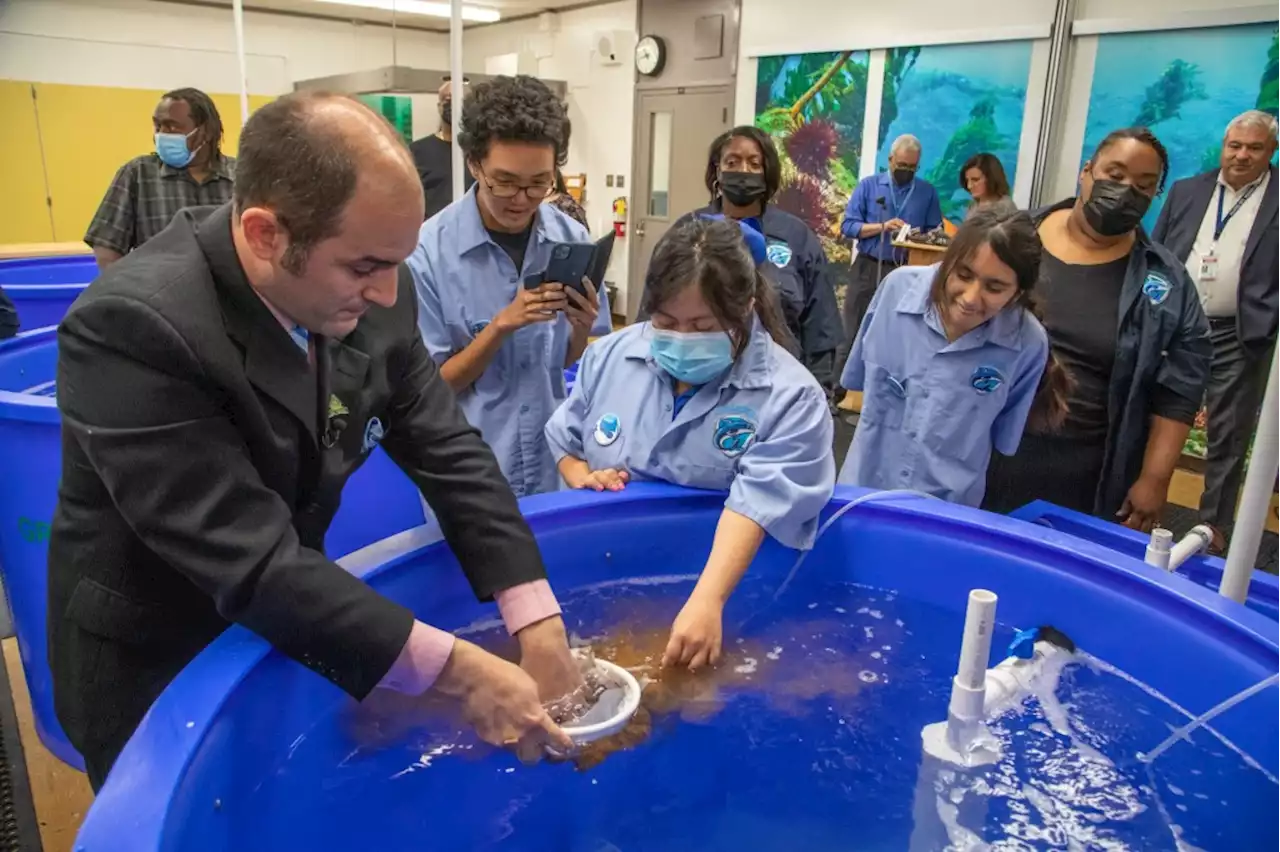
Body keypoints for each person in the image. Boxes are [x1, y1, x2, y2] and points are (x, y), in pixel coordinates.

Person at [49, 92, 582, 792]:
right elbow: (250, 557)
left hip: (296, 623)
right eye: (363, 268)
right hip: (162, 652)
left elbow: (449, 451)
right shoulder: (134, 330)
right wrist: (457, 671)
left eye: (399, 262)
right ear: (267, 234)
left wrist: (535, 616)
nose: (389, 295)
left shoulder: (373, 284)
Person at [544, 218, 835, 671]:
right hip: (606, 576)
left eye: (703, 325)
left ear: (747, 309)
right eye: (666, 322)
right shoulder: (609, 357)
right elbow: (567, 437)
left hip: (721, 592)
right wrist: (584, 477)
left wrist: (708, 601)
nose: (682, 339)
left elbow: (759, 502)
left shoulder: (790, 397)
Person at [984, 127, 1211, 530]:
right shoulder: (1011, 238)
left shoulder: (1166, 285)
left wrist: (1155, 479)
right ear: (1086, 171)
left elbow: (1179, 389)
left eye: (1144, 185)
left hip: (1087, 470)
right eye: (1115, 174)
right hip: (983, 447)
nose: (1126, 191)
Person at [408, 75, 612, 499]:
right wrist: (500, 327)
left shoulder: (571, 239)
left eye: (539, 183)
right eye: (504, 181)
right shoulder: (428, 254)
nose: (521, 198)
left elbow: (564, 361)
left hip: (553, 462)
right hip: (469, 471)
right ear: (474, 164)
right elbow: (434, 388)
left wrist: (579, 327)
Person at [839, 208, 1069, 506]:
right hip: (862, 496)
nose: (971, 298)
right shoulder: (896, 292)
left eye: (995, 287)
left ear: (1018, 292)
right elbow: (856, 381)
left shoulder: (1027, 343)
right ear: (948, 261)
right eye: (963, 274)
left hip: (948, 514)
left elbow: (1004, 437)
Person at [1152, 109, 1280, 553]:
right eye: (1235, 145)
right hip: (1178, 326)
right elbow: (1158, 252)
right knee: (1155, 415)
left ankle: (1214, 530)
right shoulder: (1189, 191)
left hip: (1241, 333)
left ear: (1272, 152)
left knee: (1228, 435)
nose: (1242, 155)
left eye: (1254, 148)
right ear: (1224, 146)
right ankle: (1144, 507)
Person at [641, 126, 842, 398]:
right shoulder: (688, 230)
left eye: (754, 163)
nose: (743, 170)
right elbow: (652, 313)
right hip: (690, 384)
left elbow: (820, 325)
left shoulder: (796, 237)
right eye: (732, 162)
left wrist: (820, 394)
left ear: (767, 172)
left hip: (774, 388)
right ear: (717, 171)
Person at [85, 88, 235, 269]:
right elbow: (107, 247)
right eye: (158, 126)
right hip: (160, 293)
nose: (162, 134)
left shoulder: (240, 177)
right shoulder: (137, 175)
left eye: (172, 126)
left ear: (206, 132)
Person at [839, 134, 944, 365]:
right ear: (890, 159)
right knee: (853, 331)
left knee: (897, 334)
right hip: (868, 267)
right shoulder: (869, 186)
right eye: (901, 165)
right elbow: (848, 226)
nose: (906, 170)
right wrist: (883, 227)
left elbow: (937, 234)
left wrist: (918, 236)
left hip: (906, 272)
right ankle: (839, 391)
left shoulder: (927, 193)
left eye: (912, 167)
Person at [408, 76, 477, 220]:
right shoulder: (417, 151)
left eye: (461, 100)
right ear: (439, 106)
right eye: (448, 100)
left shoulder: (481, 151)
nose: (454, 105)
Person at [961, 153, 1018, 219]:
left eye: (975, 180)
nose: (969, 186)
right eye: (967, 181)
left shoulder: (1006, 208)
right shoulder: (972, 206)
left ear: (991, 178)